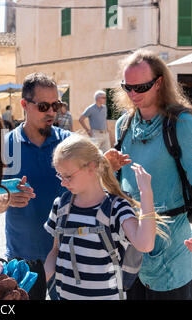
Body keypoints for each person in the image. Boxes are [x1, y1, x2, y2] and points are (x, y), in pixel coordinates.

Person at [106, 49, 192, 300]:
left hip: (173, 247)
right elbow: (118, 184)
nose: (133, 94)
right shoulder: (124, 124)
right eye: (127, 87)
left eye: (140, 87)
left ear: (159, 83)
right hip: (132, 242)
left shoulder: (182, 124)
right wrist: (106, 167)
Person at [44, 134, 167, 300]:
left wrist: (146, 194)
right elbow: (56, 251)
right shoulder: (61, 205)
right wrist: (38, 284)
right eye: (60, 175)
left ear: (91, 167)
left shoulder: (115, 208)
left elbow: (145, 244)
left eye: (68, 176)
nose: (63, 183)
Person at [0, 72, 71, 300]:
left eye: (56, 105)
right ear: (24, 104)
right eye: (43, 106)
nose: (52, 112)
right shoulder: (3, 146)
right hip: (23, 260)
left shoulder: (69, 143)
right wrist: (6, 200)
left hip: (68, 256)